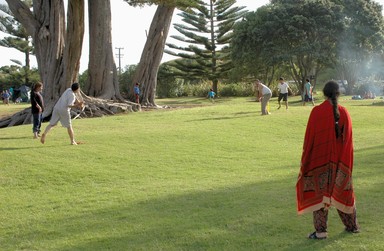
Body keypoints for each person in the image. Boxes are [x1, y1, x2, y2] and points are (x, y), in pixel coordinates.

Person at [296, 80, 359, 240]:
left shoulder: (317, 112)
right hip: (340, 162)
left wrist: (306, 159)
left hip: (320, 160)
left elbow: (309, 138)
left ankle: (321, 232)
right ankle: (352, 227)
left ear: (324, 93)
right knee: (344, 192)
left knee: (321, 196)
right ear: (338, 93)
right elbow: (348, 141)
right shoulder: (344, 112)